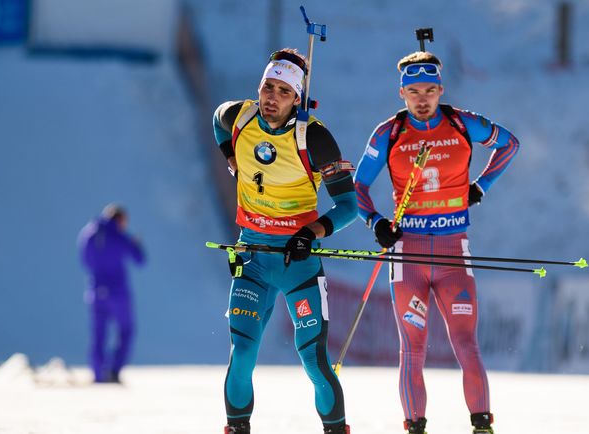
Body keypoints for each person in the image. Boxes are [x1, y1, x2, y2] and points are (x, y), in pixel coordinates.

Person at [354, 51, 520, 434]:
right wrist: (375, 221)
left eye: (430, 90)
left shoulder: (462, 123)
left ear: (441, 89)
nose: (423, 99)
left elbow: (509, 144)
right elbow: (357, 185)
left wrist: (481, 186)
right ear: (402, 93)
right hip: (406, 253)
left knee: (466, 344)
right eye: (414, 91)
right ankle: (415, 427)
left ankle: (481, 425)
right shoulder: (389, 132)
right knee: (412, 349)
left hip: (452, 254)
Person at [212, 48, 357, 434]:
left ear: (297, 98)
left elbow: (348, 206)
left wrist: (311, 233)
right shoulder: (239, 116)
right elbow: (217, 121)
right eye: (267, 87)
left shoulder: (315, 138)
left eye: (282, 91)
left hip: (298, 264)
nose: (271, 98)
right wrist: (230, 155)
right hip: (253, 257)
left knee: (313, 360)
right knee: (242, 354)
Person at [78, 203, 145, 384]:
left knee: (98, 335)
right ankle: (114, 371)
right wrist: (136, 244)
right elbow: (140, 260)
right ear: (120, 219)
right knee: (126, 330)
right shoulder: (119, 236)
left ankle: (98, 375)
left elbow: (84, 259)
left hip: (96, 291)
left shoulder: (89, 233)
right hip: (118, 293)